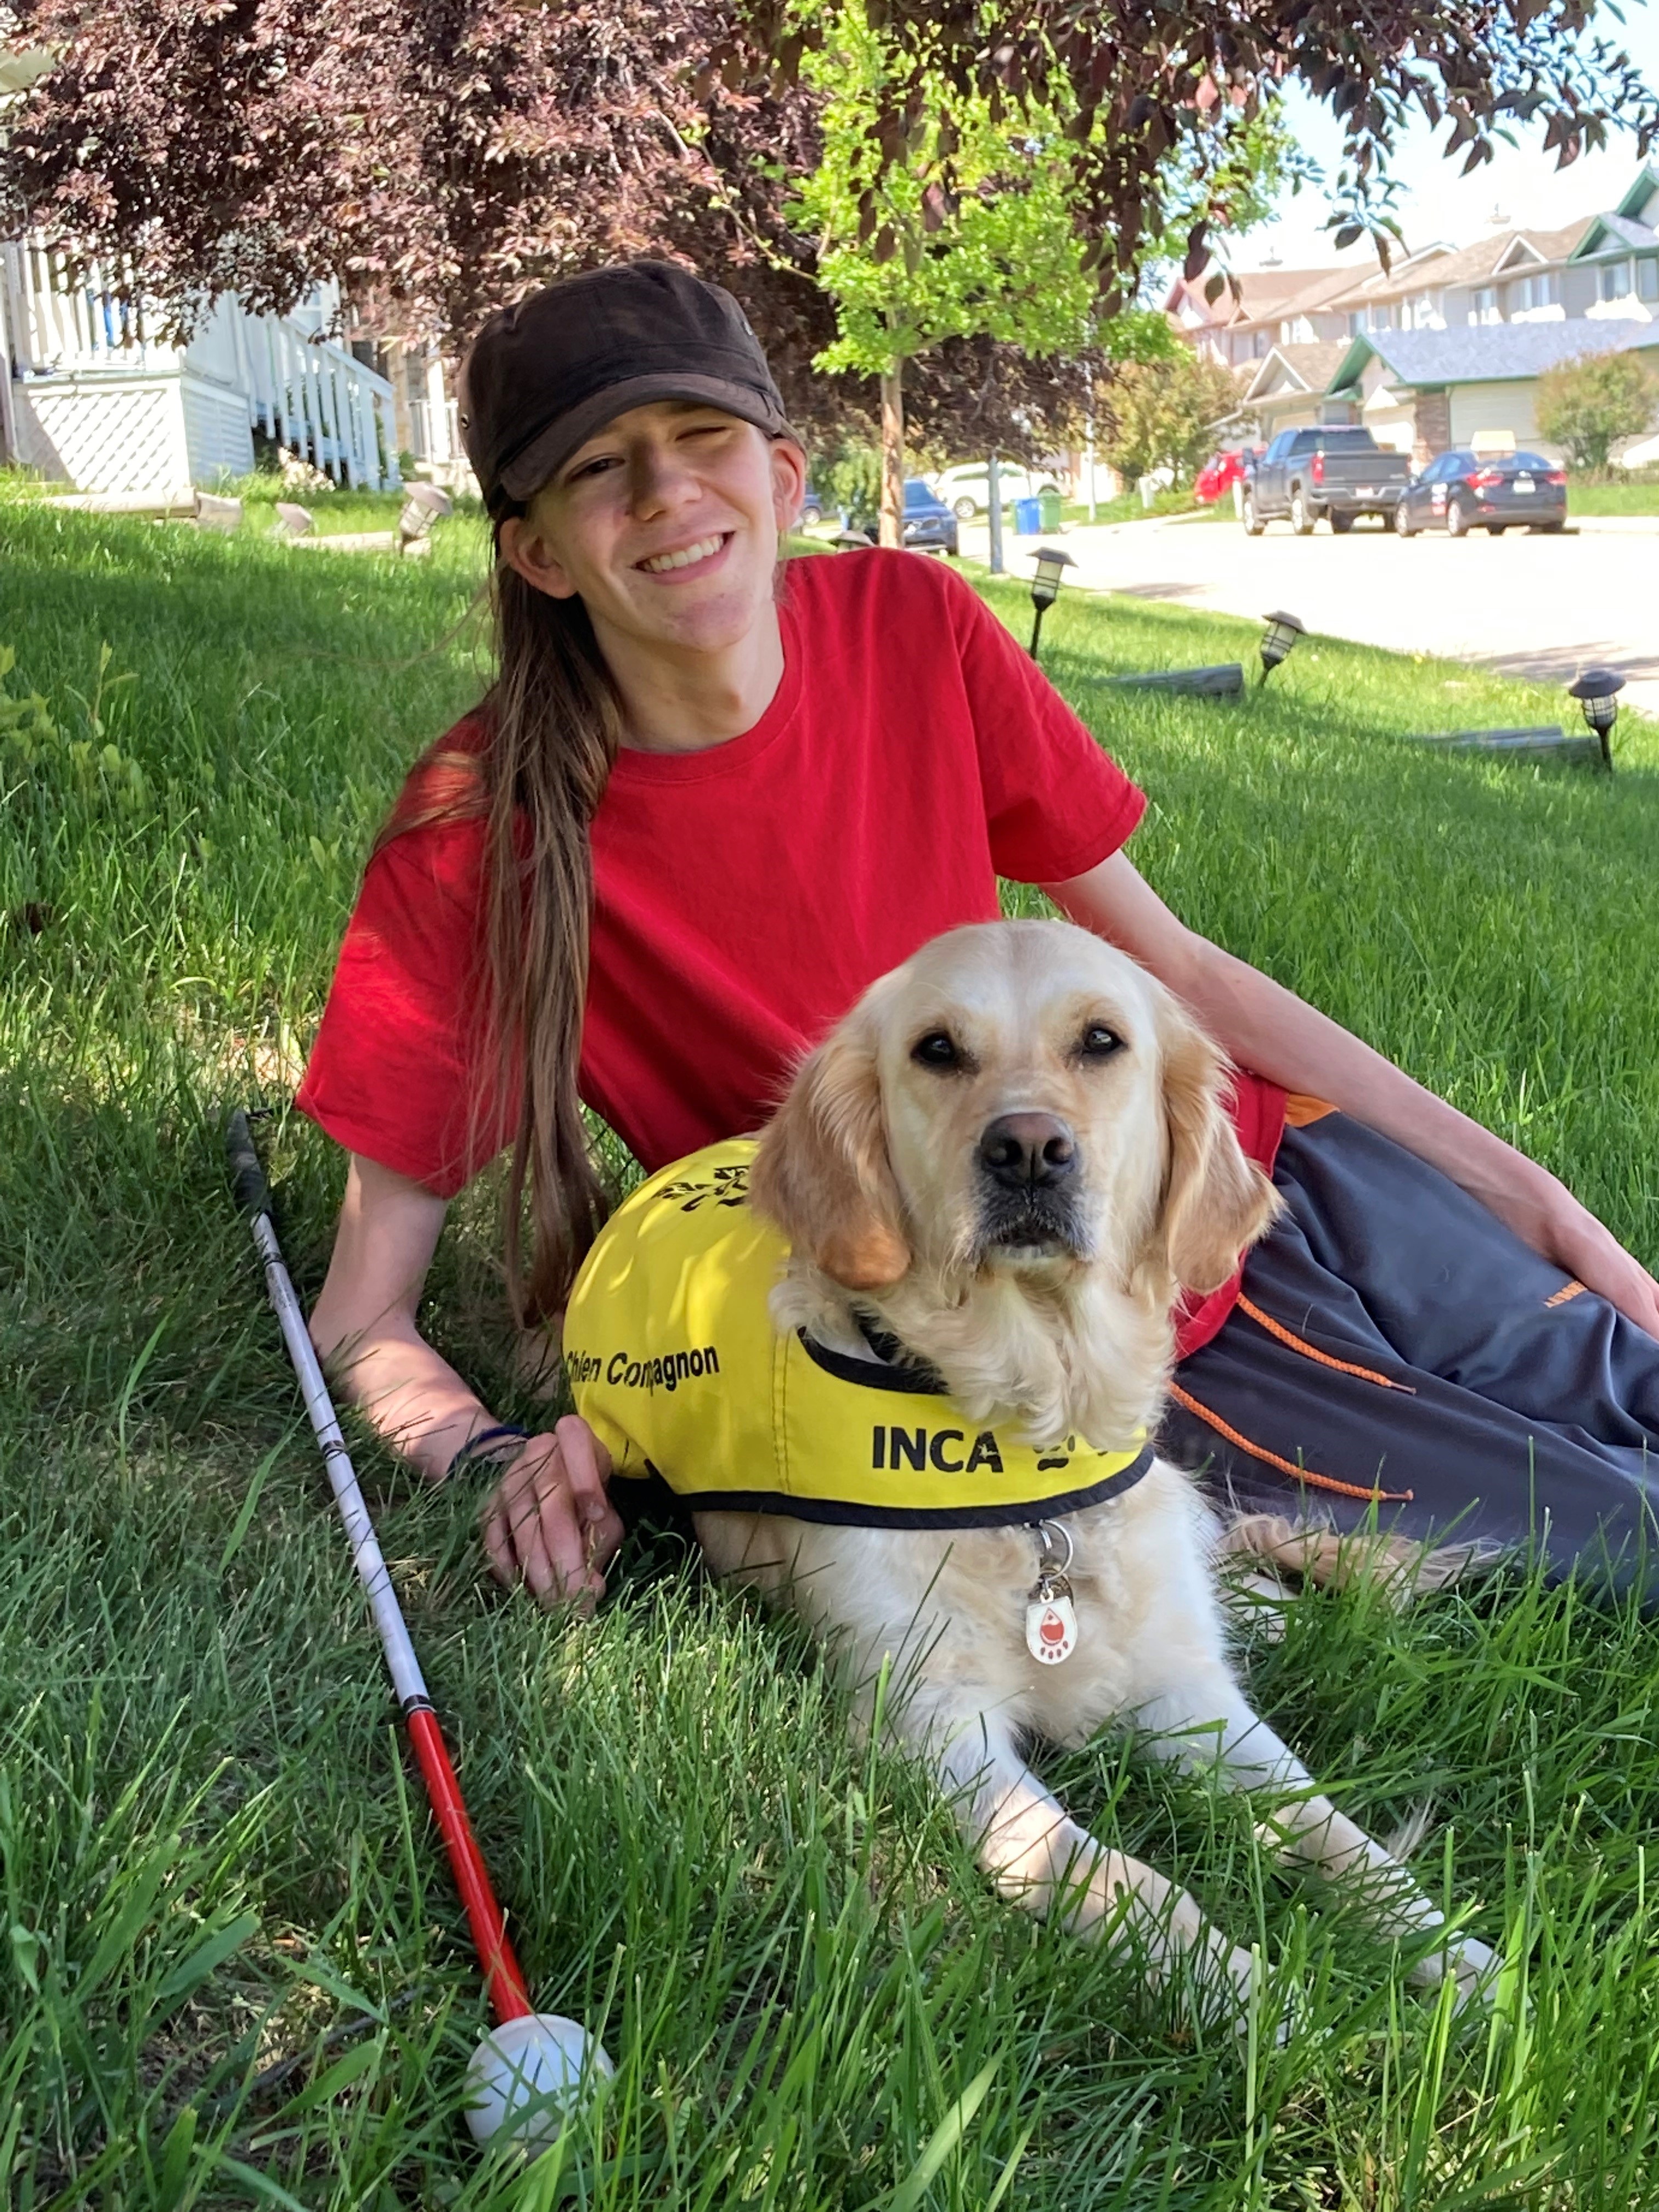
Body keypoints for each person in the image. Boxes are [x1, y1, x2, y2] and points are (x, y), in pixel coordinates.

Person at [298, 261, 1659, 1610]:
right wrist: (503, 1457)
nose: (665, 494)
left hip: (1233, 1167)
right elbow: (362, 1317)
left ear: (780, 475)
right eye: (598, 468)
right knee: (1615, 1531)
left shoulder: (915, 624)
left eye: (699, 437)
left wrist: (1527, 1195)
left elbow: (1176, 972)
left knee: (1623, 1366)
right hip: (1047, 1323)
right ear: (535, 550)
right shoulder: (477, 831)